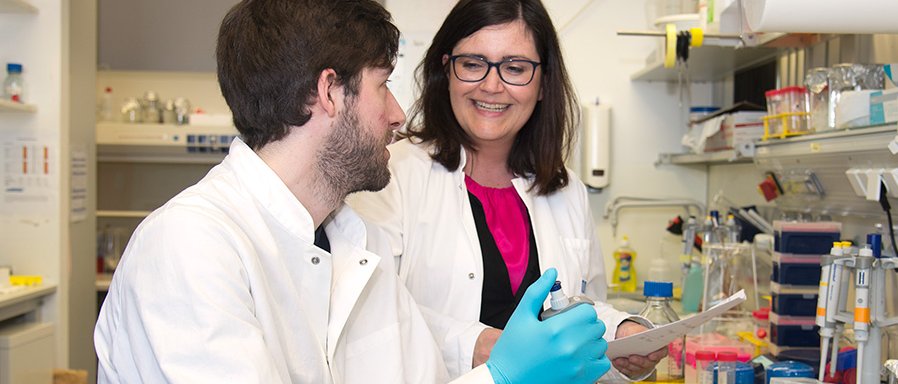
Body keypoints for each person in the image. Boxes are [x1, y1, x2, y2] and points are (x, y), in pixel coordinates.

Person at [94, 0, 613, 383]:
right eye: (383, 85)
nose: (396, 115)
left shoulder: (348, 244)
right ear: (329, 93)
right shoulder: (190, 246)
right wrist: (500, 376)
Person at [347, 0, 666, 381]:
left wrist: (621, 333)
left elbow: (580, 306)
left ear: (544, 83)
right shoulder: (389, 175)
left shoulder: (566, 189)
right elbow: (368, 317)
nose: (492, 85)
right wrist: (480, 346)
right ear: (445, 70)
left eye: (515, 68)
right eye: (472, 64)